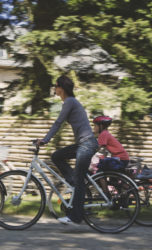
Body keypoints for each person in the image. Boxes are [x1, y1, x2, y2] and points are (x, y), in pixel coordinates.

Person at [36, 75, 98, 226]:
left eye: (55, 87)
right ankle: (73, 183)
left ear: (61, 88)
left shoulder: (69, 102)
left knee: (79, 179)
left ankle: (75, 217)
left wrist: (45, 139)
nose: (54, 89)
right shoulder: (70, 102)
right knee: (57, 156)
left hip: (87, 144)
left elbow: (58, 123)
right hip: (83, 144)